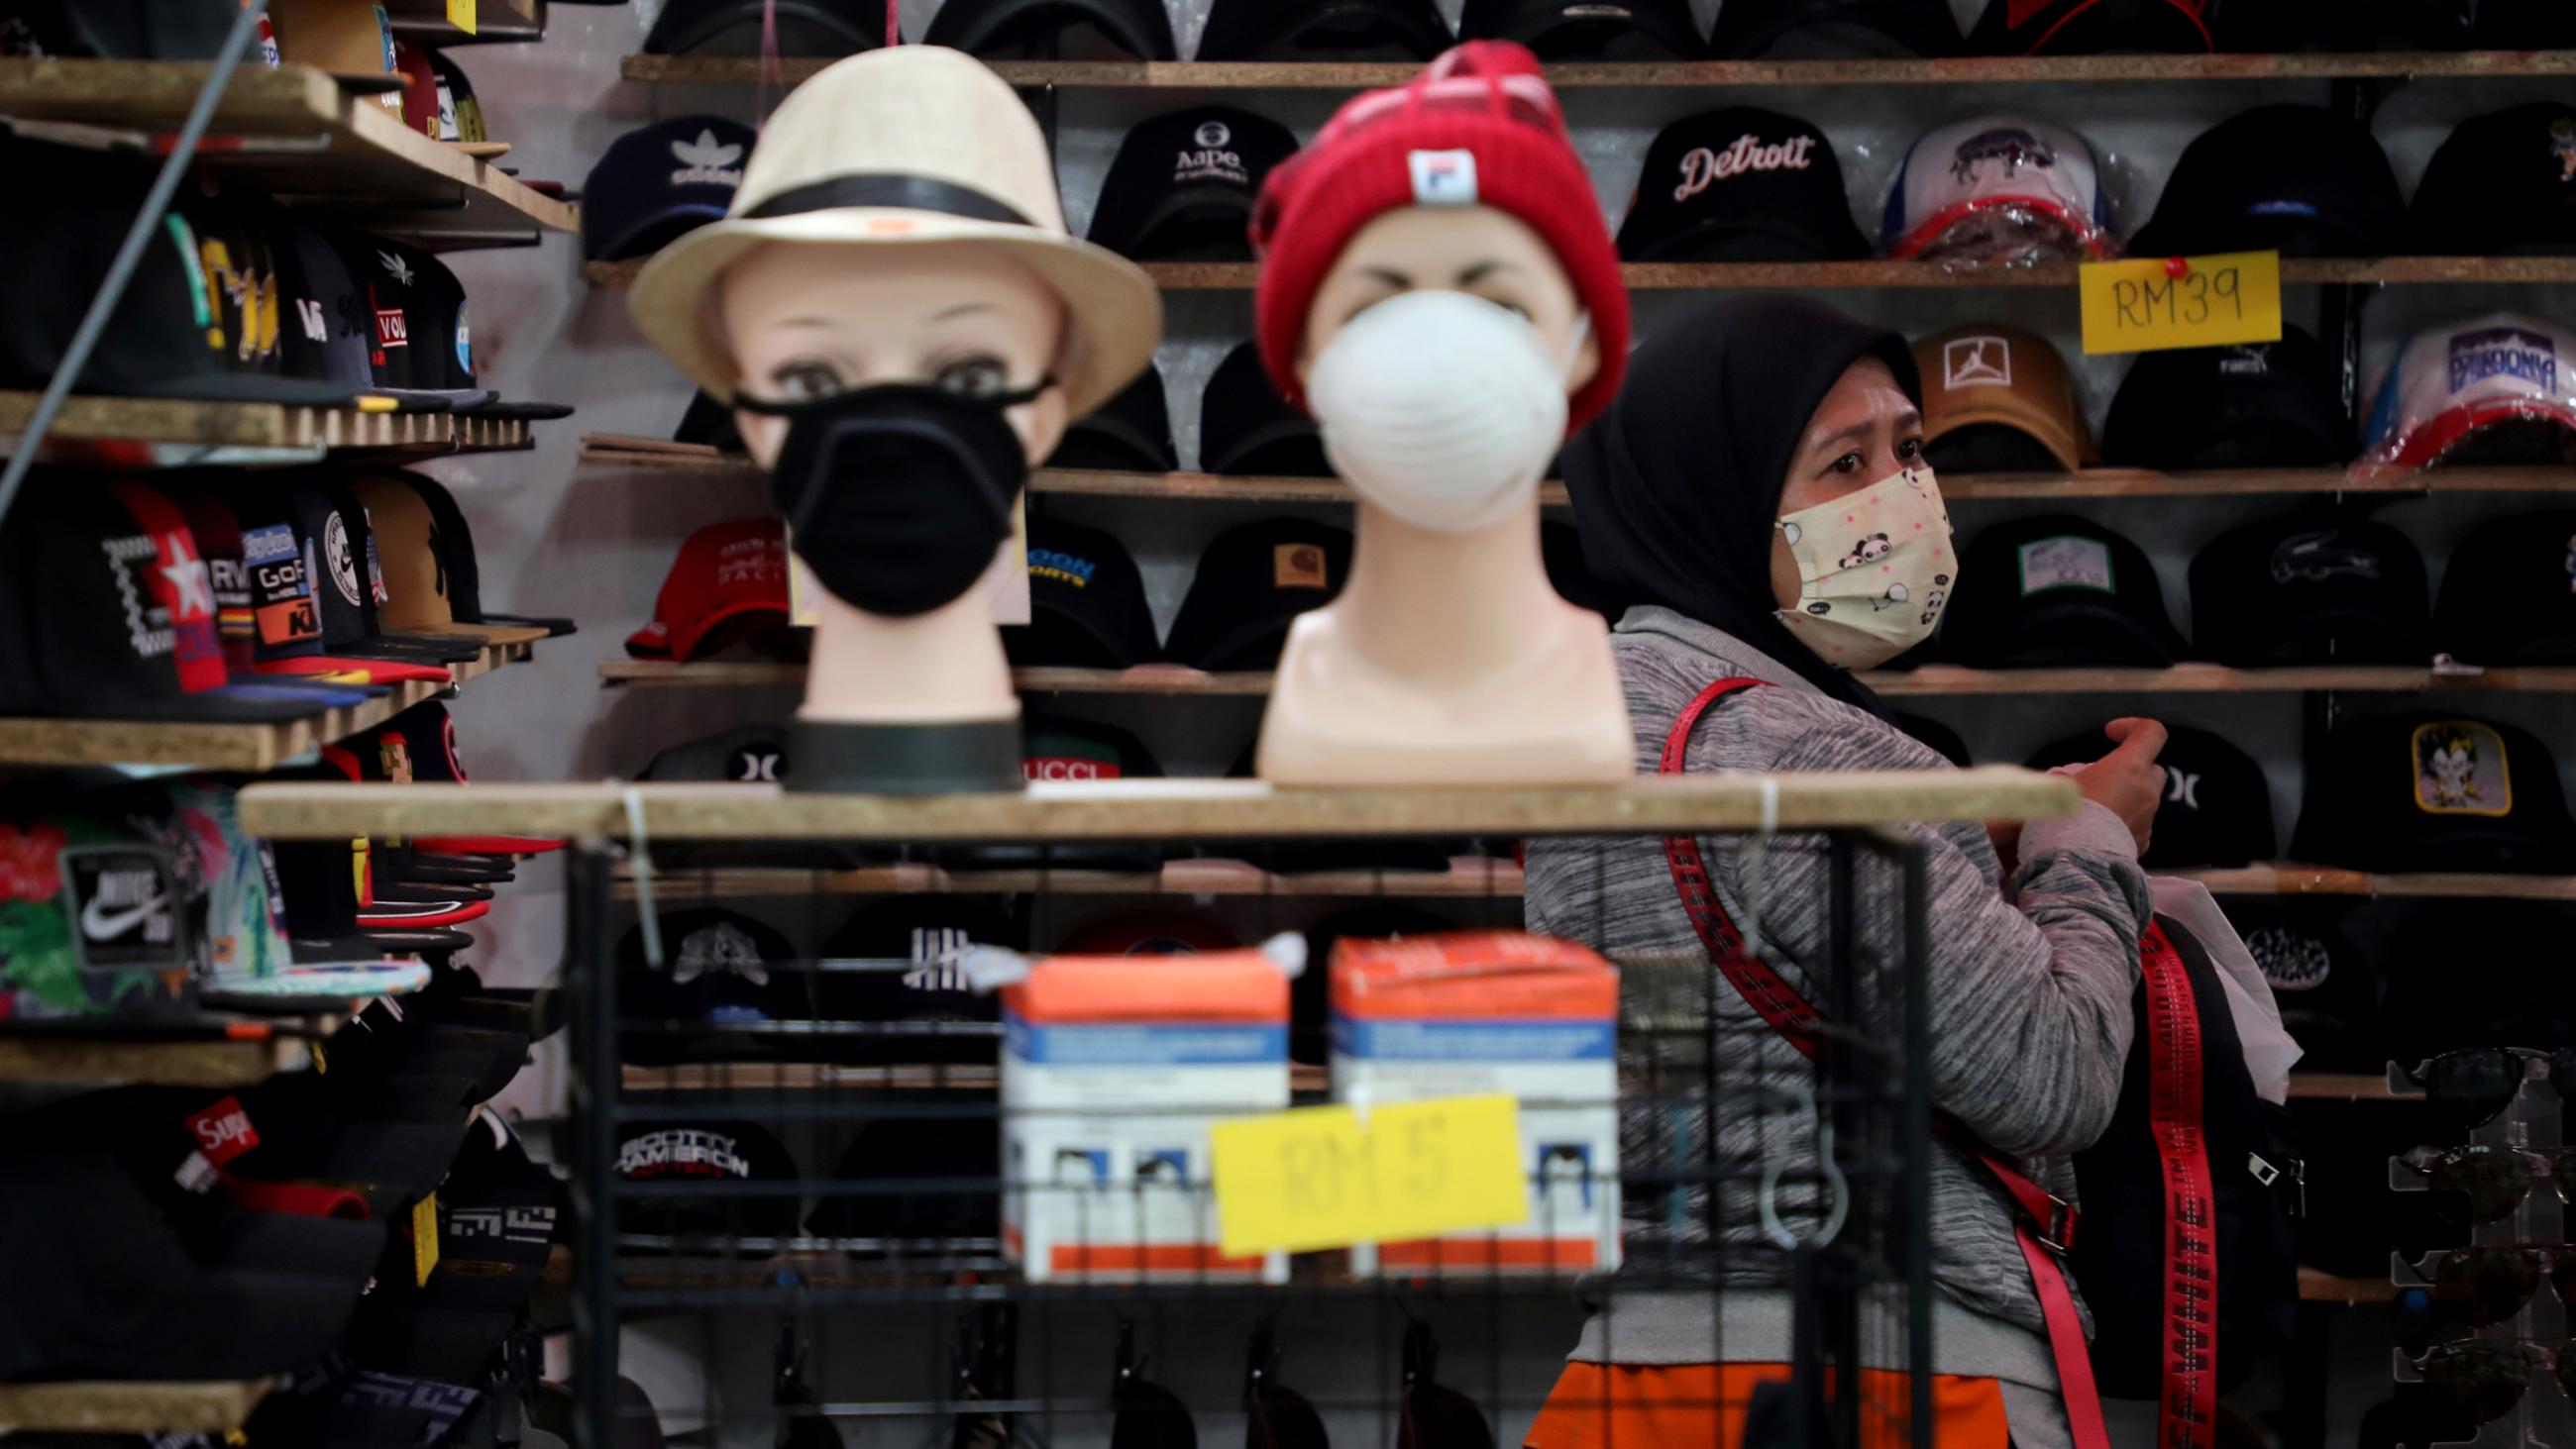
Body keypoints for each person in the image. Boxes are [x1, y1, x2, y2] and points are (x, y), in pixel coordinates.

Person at [1521, 294, 2167, 1449]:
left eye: (1908, 448)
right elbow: (2049, 1071)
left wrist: (1963, 867)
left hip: (1633, 1378)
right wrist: (2085, 843)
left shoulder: (1587, 733)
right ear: (1712, 491)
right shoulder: (1803, 749)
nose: (1896, 496)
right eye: (1840, 462)